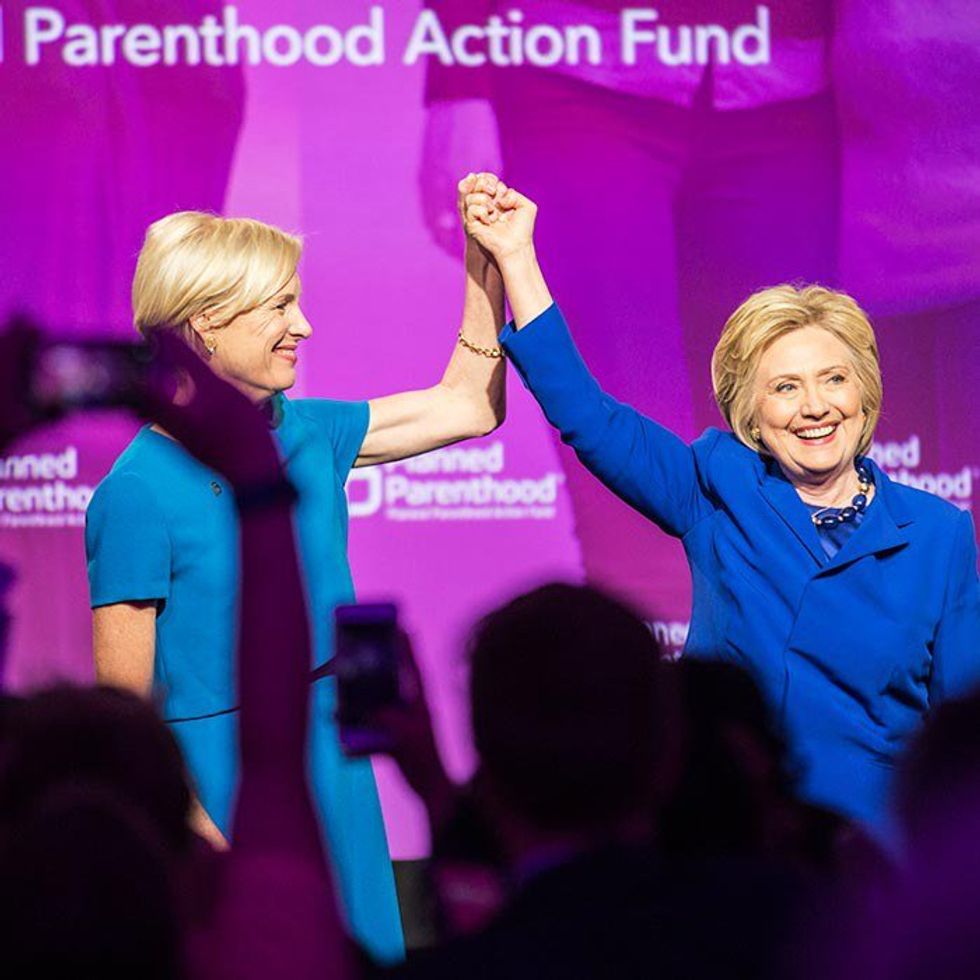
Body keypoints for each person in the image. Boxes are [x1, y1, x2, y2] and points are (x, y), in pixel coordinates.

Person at [460, 180, 980, 842]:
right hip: (728, 838)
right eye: (785, 387)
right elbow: (589, 416)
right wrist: (516, 257)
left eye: (834, 379)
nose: (815, 407)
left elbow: (962, 740)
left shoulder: (937, 534)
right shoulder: (715, 486)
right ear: (751, 415)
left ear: (865, 393)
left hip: (868, 852)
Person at [84, 174, 507, 962]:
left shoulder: (308, 430)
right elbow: (123, 718)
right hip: (221, 797)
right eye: (280, 306)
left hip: (335, 772)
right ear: (206, 322)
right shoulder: (135, 493)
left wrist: (486, 263)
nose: (303, 326)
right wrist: (201, 844)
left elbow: (469, 406)